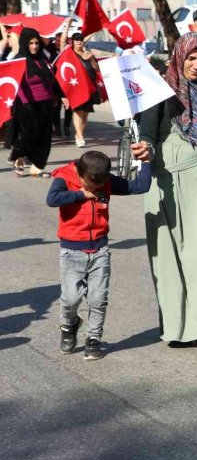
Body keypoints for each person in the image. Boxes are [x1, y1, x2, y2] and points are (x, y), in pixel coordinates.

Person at [131, 32, 197, 351]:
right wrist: (145, 149)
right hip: (171, 183)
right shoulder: (160, 91)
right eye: (191, 58)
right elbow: (148, 135)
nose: (196, 64)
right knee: (174, 257)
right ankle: (182, 328)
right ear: (179, 56)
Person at [46, 151, 152, 360]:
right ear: (79, 173)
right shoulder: (64, 177)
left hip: (100, 250)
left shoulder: (105, 181)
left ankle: (93, 340)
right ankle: (69, 325)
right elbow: (52, 199)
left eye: (99, 187)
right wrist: (80, 195)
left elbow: (140, 186)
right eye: (90, 186)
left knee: (98, 298)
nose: (96, 190)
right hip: (71, 251)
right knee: (70, 298)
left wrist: (146, 162)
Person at [9, 27, 58, 178]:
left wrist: (60, 96)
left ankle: (37, 167)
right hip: (26, 103)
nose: (34, 46)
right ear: (25, 43)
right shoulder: (18, 60)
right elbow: (12, 82)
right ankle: (17, 156)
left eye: (37, 43)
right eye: (31, 43)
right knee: (30, 133)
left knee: (44, 135)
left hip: (46, 102)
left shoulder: (43, 59)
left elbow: (52, 80)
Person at [64, 27, 102, 148]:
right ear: (72, 42)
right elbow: (62, 42)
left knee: (85, 114)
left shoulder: (88, 54)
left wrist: (91, 58)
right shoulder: (70, 54)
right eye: (76, 39)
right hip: (76, 88)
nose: (79, 41)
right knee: (78, 112)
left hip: (89, 88)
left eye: (81, 39)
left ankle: (79, 134)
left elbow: (97, 69)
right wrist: (67, 25)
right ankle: (80, 137)